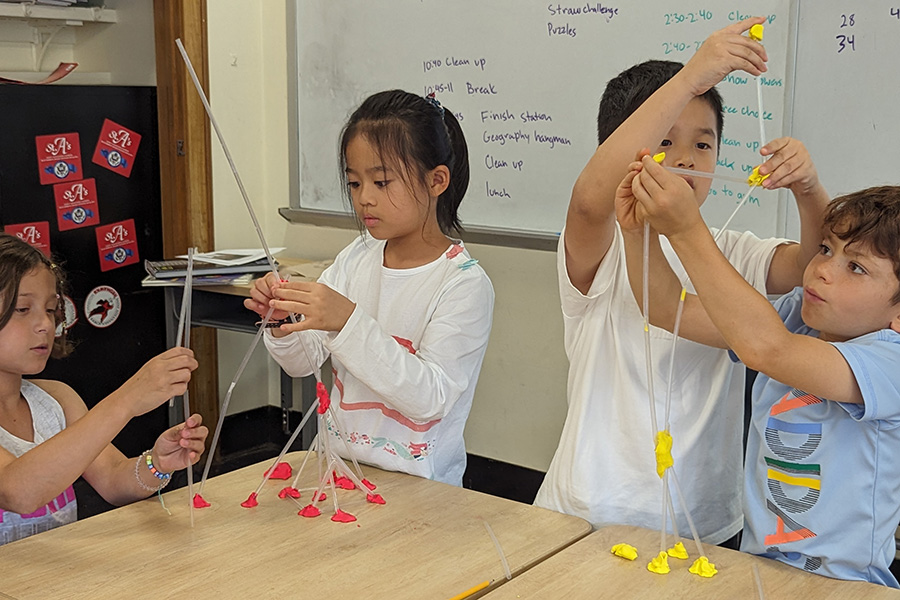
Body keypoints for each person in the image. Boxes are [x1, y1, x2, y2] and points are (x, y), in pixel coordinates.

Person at [534, 16, 831, 546]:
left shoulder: (732, 250)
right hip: (587, 514)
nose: (687, 161)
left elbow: (813, 266)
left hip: (704, 521)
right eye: (665, 141)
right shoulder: (601, 245)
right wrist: (694, 76)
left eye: (703, 144)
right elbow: (588, 199)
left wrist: (808, 189)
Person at [619, 157, 900, 586]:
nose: (822, 268)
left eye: (856, 267)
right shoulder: (799, 319)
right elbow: (666, 309)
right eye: (826, 249)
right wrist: (638, 232)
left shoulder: (890, 363)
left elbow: (767, 349)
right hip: (760, 571)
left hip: (844, 586)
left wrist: (686, 229)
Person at [244, 90, 494, 486]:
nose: (364, 198)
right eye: (355, 183)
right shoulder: (357, 257)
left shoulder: (462, 283)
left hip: (424, 489)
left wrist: (348, 321)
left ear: (436, 180)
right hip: (340, 474)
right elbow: (302, 362)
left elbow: (430, 399)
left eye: (381, 181)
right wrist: (282, 320)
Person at [0, 233, 207, 546]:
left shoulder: (57, 400)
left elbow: (113, 478)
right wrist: (127, 400)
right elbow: (17, 492)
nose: (44, 324)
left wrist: (158, 462)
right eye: (22, 309)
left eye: (50, 308)